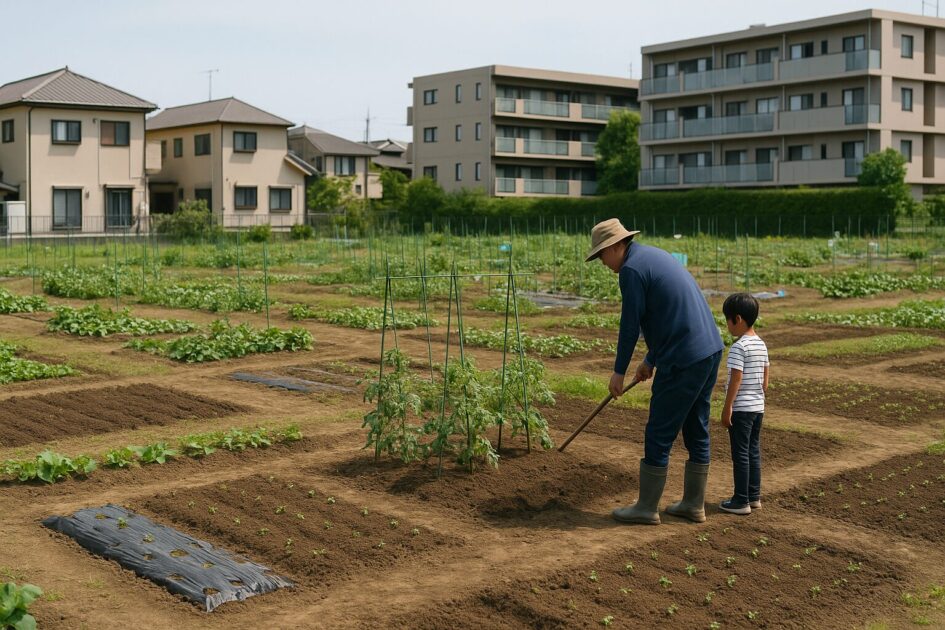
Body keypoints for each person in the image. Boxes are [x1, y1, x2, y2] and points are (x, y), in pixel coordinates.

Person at [585, 218, 723, 525]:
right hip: (709, 350)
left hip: (685, 357)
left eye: (602, 255)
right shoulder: (653, 256)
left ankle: (646, 507)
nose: (602, 262)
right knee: (696, 425)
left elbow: (630, 325)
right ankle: (693, 504)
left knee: (660, 430)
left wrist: (618, 372)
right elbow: (668, 315)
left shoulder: (631, 271)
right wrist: (650, 359)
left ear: (617, 246)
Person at [718, 293, 769, 515]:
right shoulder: (761, 344)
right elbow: (766, 379)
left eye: (727, 320)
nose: (727, 325)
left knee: (740, 454)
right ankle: (753, 496)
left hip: (741, 408)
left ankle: (740, 500)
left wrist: (727, 406)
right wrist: (757, 394)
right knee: (753, 451)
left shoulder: (739, 347)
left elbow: (736, 378)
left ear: (737, 319)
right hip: (758, 407)